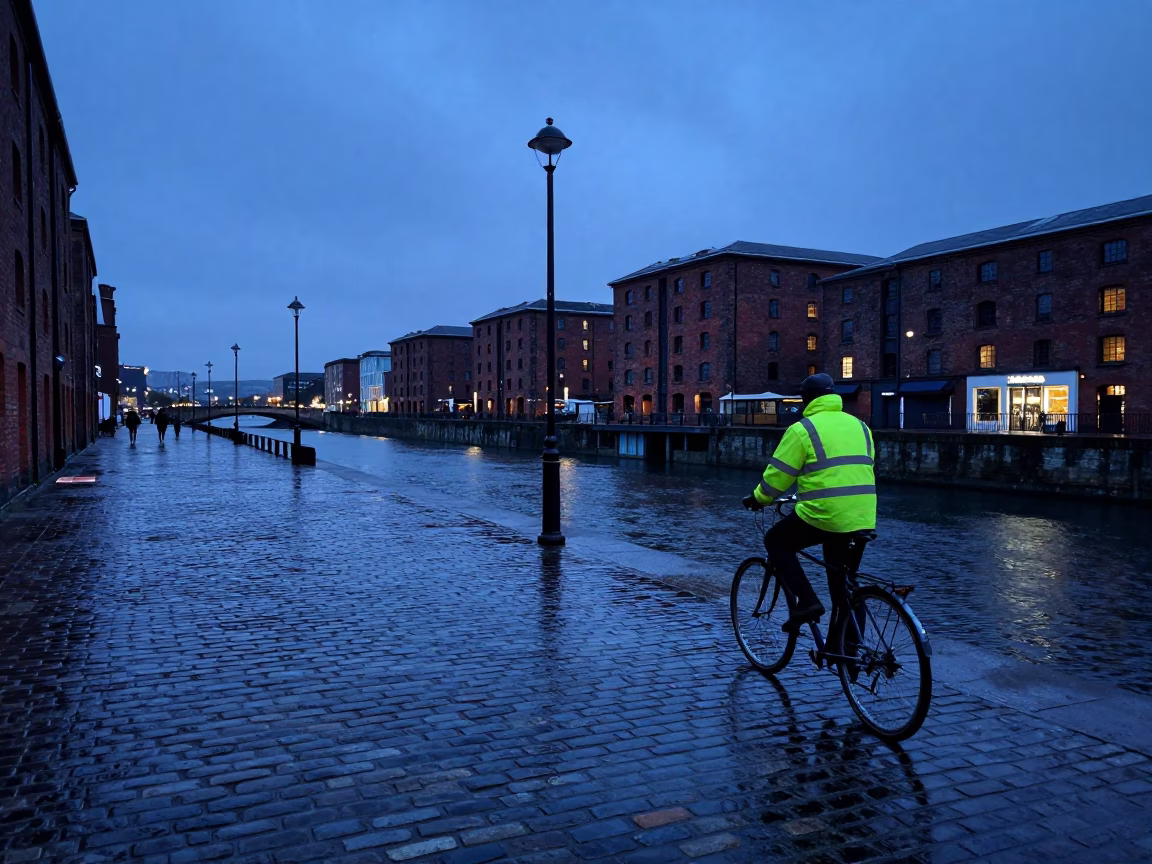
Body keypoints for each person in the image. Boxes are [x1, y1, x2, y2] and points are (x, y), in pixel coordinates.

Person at [743, 373, 876, 634]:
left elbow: (777, 478)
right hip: (863, 515)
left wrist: (758, 498)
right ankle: (849, 653)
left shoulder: (803, 429)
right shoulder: (861, 426)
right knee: (845, 584)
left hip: (824, 514)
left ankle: (807, 601)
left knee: (776, 541)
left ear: (806, 399)